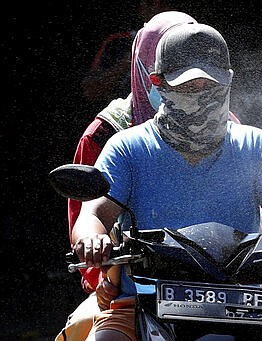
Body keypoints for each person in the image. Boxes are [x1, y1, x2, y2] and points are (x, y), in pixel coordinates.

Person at [71, 23, 262, 340]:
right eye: (187, 88)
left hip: (246, 303)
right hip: (143, 303)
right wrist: (92, 239)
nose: (201, 97)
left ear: (229, 81)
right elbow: (91, 216)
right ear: (158, 85)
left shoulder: (255, 145)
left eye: (211, 87)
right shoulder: (127, 148)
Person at [56, 11, 198, 341]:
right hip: (130, 287)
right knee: (80, 329)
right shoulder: (107, 136)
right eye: (168, 64)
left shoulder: (231, 132)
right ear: (146, 67)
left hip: (218, 286)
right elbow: (87, 223)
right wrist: (105, 269)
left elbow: (259, 218)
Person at [81, 0, 176, 110]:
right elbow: (90, 91)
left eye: (163, 4)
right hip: (128, 120)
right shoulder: (118, 43)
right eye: (150, 3)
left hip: (173, 118)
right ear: (141, 8)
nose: (157, 9)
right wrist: (131, 59)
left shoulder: (184, 42)